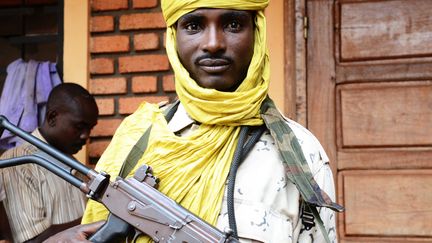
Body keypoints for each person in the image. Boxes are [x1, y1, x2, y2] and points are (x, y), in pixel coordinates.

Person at [46, 0, 343, 242]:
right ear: (174, 38)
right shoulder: (137, 136)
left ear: (258, 33)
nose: (213, 43)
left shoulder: (301, 154)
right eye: (194, 25)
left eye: (233, 24)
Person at [0, 83, 99, 243]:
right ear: (52, 117)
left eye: (90, 128)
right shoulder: (18, 163)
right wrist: (100, 218)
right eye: (79, 126)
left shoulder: (78, 168)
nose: (85, 136)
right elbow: (31, 240)